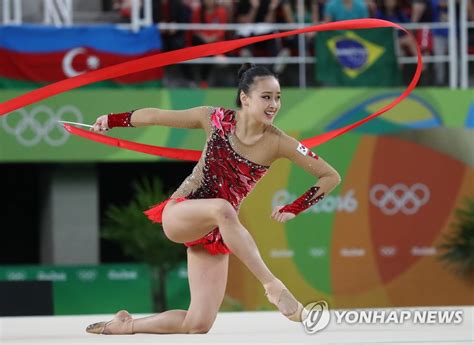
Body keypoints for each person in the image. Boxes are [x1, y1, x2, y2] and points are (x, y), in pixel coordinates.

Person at [86, 63, 341, 335]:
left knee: (198, 324)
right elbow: (157, 115)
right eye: (266, 97)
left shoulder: (279, 142)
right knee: (223, 208)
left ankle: (127, 325)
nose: (274, 104)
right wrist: (112, 120)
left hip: (217, 233)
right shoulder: (214, 118)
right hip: (182, 213)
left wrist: (296, 207)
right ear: (245, 98)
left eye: (278, 97)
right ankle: (273, 287)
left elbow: (330, 176)